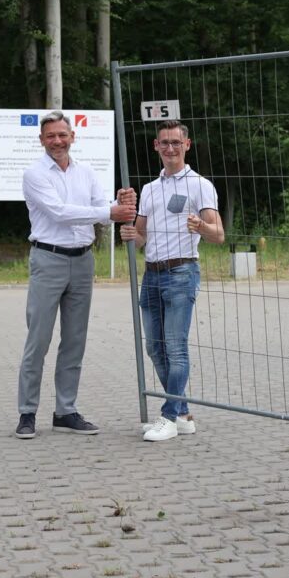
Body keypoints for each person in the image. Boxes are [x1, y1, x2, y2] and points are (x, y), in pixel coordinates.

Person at [15, 110, 137, 439]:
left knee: (74, 341)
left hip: (83, 262)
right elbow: (60, 212)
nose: (57, 141)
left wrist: (121, 206)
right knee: (38, 339)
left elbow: (102, 210)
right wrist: (110, 211)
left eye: (62, 135)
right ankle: (27, 413)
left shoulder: (86, 173)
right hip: (48, 259)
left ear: (72, 137)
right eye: (51, 136)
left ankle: (65, 411)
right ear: (41, 140)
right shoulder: (34, 174)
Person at [120, 120, 225, 441]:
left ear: (187, 145)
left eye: (176, 143)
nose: (170, 148)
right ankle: (181, 414)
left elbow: (218, 234)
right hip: (151, 274)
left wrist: (201, 227)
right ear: (156, 146)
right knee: (154, 348)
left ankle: (167, 417)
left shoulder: (200, 185)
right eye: (164, 143)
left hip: (181, 272)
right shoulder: (150, 189)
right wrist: (129, 234)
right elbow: (139, 235)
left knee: (176, 348)